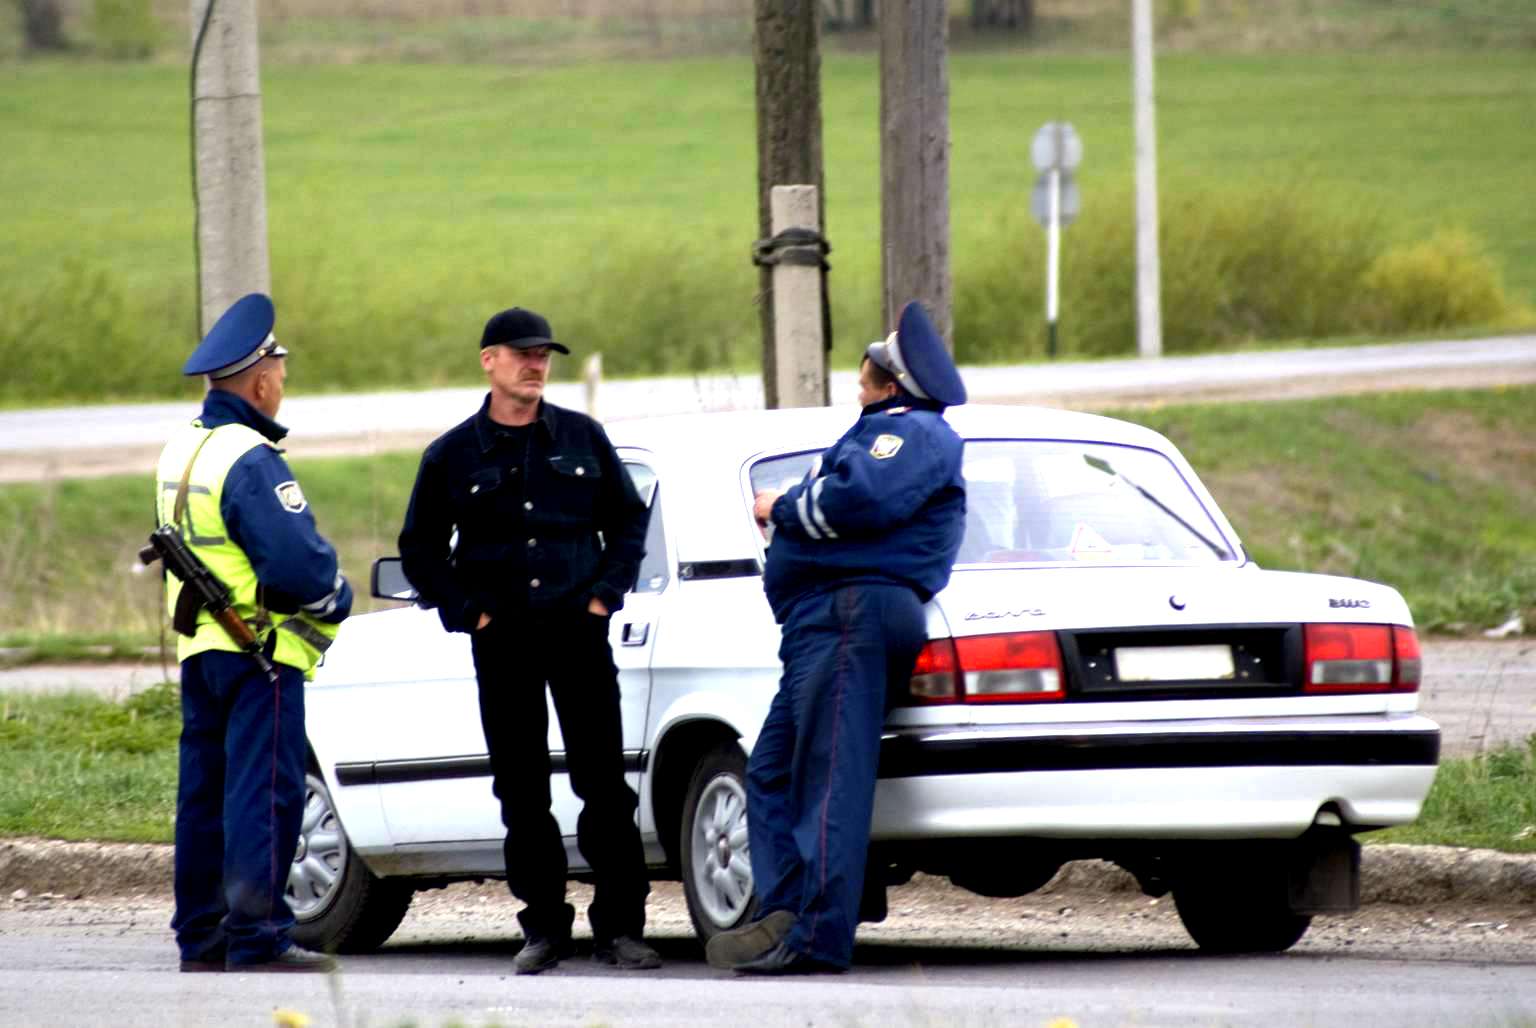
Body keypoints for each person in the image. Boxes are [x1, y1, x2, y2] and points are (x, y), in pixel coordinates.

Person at [396, 306, 660, 975]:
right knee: (522, 790)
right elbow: (420, 550)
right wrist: (469, 613)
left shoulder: (581, 437)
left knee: (604, 786)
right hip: (504, 639)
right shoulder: (454, 454)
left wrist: (605, 594)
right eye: (523, 354)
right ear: (490, 361)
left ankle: (621, 929)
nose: (537, 365)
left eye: (544, 354)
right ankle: (543, 927)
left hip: (579, 632)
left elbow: (629, 522)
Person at [707, 300, 968, 975]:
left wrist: (782, 508)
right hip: (820, 624)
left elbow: (862, 500)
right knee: (768, 771)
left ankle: (818, 938)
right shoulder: (884, 432)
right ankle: (785, 912)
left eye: (863, 383)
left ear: (892, 386)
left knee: (829, 780)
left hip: (851, 615)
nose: (856, 393)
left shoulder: (910, 433)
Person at [158, 293, 353, 973]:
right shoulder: (250, 457)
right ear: (260, 378)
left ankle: (202, 937)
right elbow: (297, 563)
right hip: (259, 652)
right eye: (281, 368)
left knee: (203, 796)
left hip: (202, 649)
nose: (282, 381)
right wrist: (338, 597)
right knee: (261, 794)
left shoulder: (182, 449)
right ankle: (257, 935)